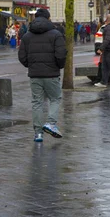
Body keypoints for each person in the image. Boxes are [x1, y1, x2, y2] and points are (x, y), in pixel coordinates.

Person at [18, 8, 67, 142]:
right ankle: (51, 123)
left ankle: (38, 133)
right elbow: (61, 54)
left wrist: (31, 65)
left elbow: (21, 56)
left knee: (37, 102)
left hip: (35, 75)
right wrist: (58, 65)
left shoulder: (27, 36)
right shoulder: (56, 34)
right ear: (49, 18)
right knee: (55, 98)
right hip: (51, 74)